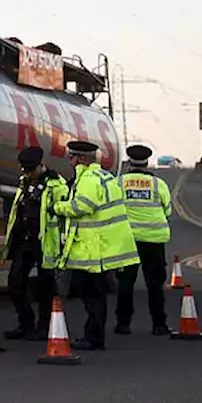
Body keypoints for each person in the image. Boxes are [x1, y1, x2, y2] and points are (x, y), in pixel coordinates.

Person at [52, 140, 140, 351]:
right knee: (96, 295)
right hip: (101, 247)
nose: (70, 162)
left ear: (81, 159)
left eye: (71, 158)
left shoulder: (89, 179)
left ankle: (94, 337)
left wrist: (57, 207)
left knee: (91, 296)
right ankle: (95, 336)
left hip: (92, 250)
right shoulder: (105, 176)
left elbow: (83, 206)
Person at [1, 146, 69, 340]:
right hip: (24, 239)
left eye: (30, 169)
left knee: (45, 286)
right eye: (25, 170)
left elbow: (63, 215)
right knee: (15, 283)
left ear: (41, 166)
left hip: (45, 241)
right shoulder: (24, 183)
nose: (27, 173)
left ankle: (44, 326)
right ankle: (25, 323)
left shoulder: (56, 185)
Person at [115, 144, 173, 336]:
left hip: (127, 240)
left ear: (129, 162)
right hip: (153, 240)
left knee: (125, 283)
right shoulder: (159, 184)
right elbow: (168, 210)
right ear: (147, 163)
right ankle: (159, 324)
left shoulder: (119, 183)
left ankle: (123, 324)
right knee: (155, 284)